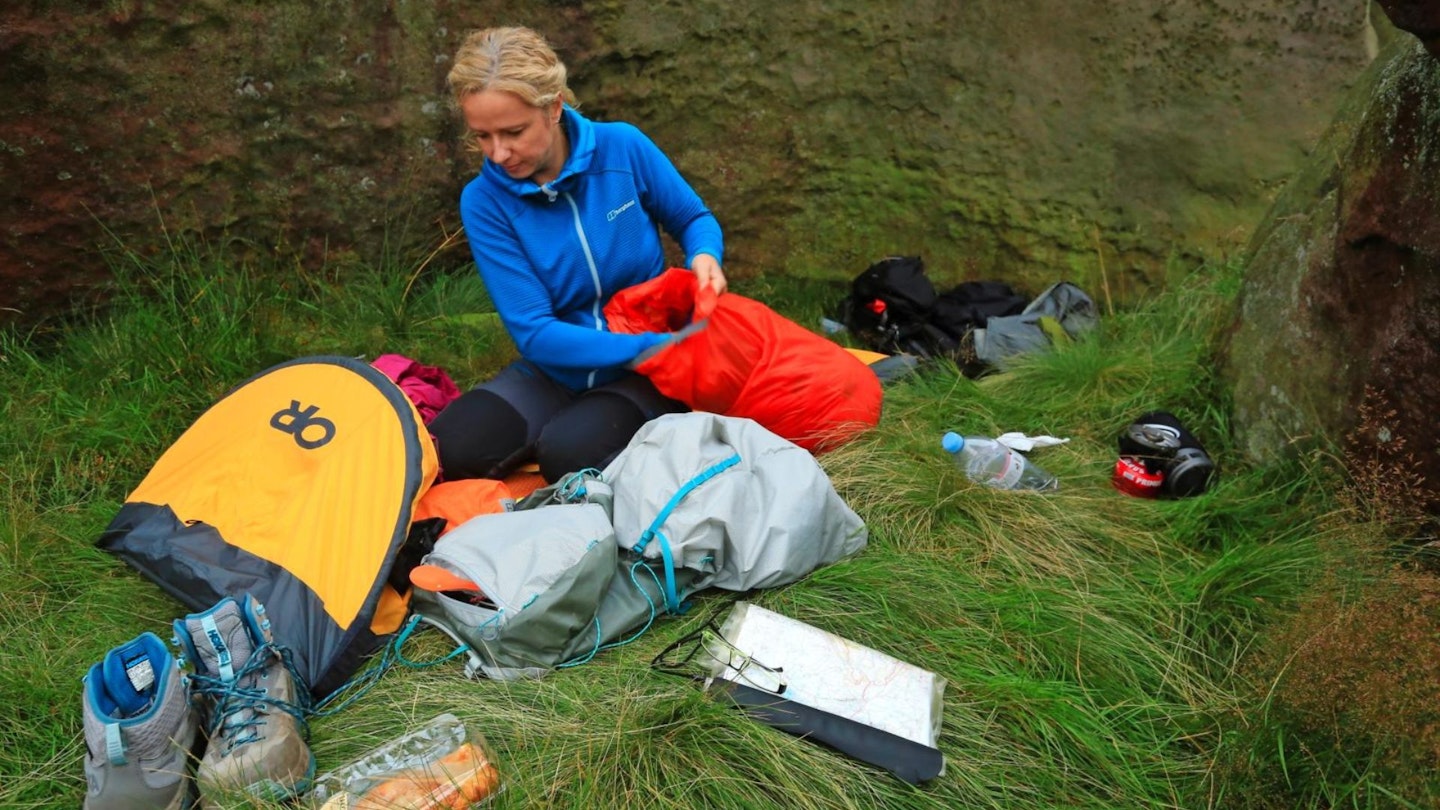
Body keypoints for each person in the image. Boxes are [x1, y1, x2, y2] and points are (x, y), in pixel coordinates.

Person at [430, 26, 727, 483]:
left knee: (568, 455)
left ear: (553, 107)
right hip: (560, 366)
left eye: (513, 132)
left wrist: (705, 256)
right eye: (482, 137)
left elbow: (693, 218)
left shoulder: (622, 147)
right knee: (450, 446)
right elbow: (535, 332)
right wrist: (654, 348)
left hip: (648, 368)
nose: (499, 154)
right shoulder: (483, 201)